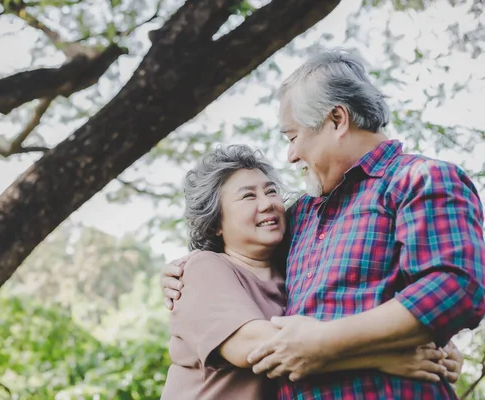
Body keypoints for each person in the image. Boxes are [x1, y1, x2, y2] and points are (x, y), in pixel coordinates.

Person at [161, 50, 484, 399]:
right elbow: (238, 267)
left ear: (337, 119)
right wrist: (181, 271)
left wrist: (329, 342)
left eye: (292, 137)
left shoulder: (418, 179)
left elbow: (456, 287)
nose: (291, 156)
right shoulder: (304, 215)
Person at [161, 144, 463, 400]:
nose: (267, 204)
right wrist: (387, 357)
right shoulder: (202, 269)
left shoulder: (294, 273)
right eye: (248, 196)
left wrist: (432, 339)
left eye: (271, 191)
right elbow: (258, 348)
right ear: (215, 222)